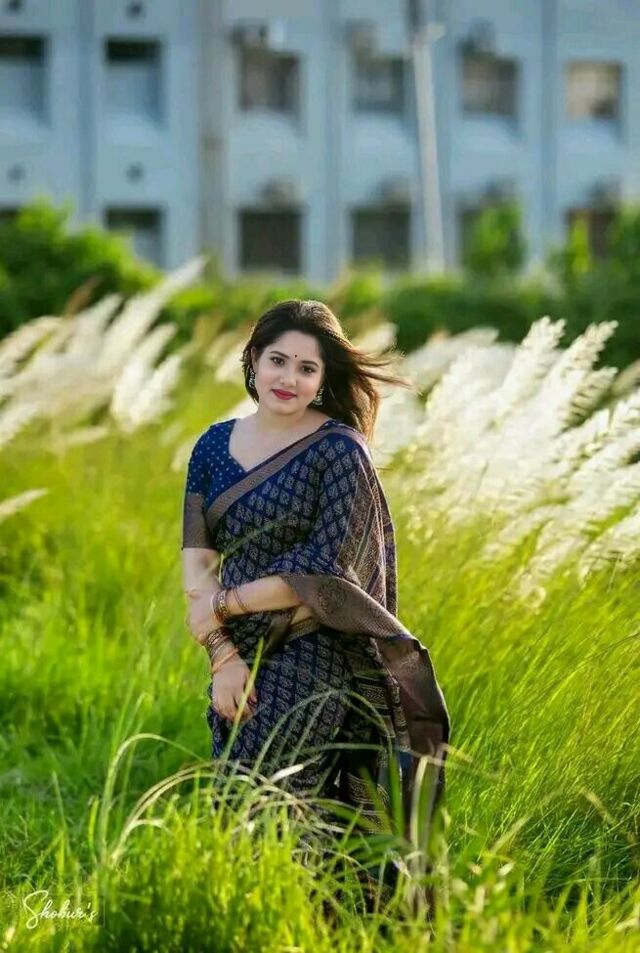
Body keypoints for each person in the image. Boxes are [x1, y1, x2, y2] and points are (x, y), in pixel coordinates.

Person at [181, 299, 450, 908]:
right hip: (236, 657)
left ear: (325, 378)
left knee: (262, 806)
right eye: (278, 360)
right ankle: (303, 921)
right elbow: (196, 565)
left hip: (316, 653)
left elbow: (325, 573)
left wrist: (225, 605)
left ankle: (285, 920)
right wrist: (223, 655)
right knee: (253, 801)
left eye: (307, 368)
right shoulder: (212, 446)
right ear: (253, 360)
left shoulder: (339, 452)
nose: (289, 378)